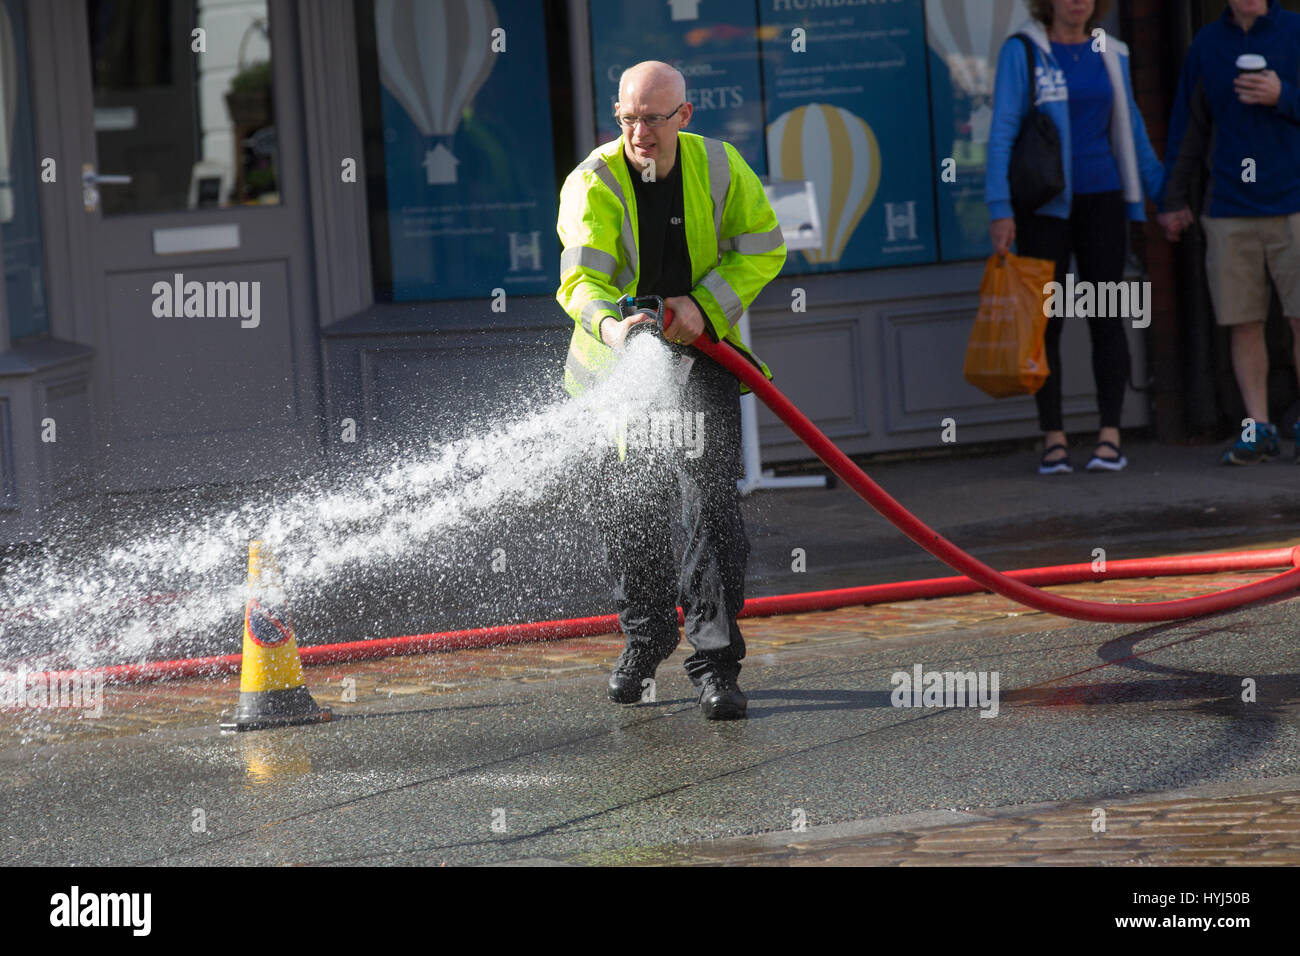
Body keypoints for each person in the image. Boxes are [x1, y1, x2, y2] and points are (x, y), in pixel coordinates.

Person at [555, 61, 786, 719]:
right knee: (627, 510)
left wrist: (702, 306)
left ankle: (715, 663)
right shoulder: (593, 180)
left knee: (707, 503)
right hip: (614, 365)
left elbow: (764, 247)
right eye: (627, 118)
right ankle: (647, 634)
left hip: (699, 354)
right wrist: (616, 328)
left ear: (683, 116)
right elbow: (581, 282)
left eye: (652, 119)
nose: (638, 134)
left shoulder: (719, 166)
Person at [986, 0, 1165, 475]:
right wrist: (999, 208)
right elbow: (1001, 130)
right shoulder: (1023, 50)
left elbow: (1133, 131)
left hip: (1104, 200)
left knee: (1106, 315)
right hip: (1043, 207)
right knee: (1046, 325)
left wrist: (1163, 195)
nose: (1076, 0)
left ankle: (1110, 435)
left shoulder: (1112, 52)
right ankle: (1054, 438)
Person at [1159, 0, 1300, 465]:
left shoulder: (1294, 32)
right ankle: (1256, 427)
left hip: (1294, 202)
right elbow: (1188, 126)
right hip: (1229, 207)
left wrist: (1284, 96)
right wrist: (1173, 199)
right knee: (1243, 322)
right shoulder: (1207, 45)